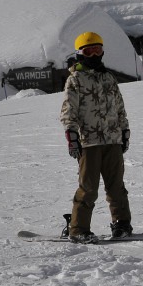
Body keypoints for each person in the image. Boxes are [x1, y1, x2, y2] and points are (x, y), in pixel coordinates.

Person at [59, 31, 133, 243]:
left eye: (97, 50)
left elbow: (120, 108)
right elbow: (68, 111)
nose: (93, 56)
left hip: (112, 141)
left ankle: (122, 224)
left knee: (116, 186)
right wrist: (72, 137)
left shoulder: (109, 78)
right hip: (89, 142)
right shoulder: (76, 80)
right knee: (88, 188)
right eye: (88, 51)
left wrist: (124, 132)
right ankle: (78, 229)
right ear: (80, 53)